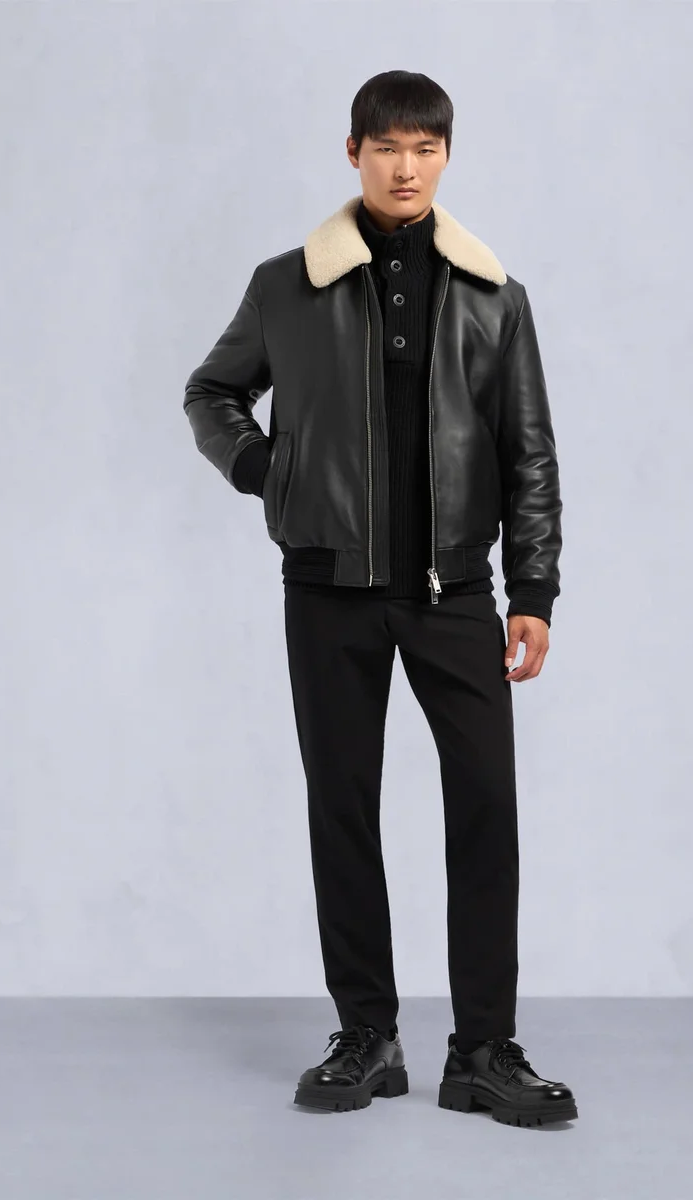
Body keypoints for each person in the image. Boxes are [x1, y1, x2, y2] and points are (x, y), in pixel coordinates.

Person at [183, 70, 578, 1128]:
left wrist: (533, 586)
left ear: (445, 156)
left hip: (455, 590)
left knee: (485, 809)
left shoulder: (495, 297)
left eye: (424, 148)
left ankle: (483, 1049)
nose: (406, 167)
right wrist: (268, 471)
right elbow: (212, 391)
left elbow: (529, 453)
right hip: (328, 588)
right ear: (352, 152)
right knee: (342, 808)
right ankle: (367, 1036)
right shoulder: (286, 285)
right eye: (387, 147)